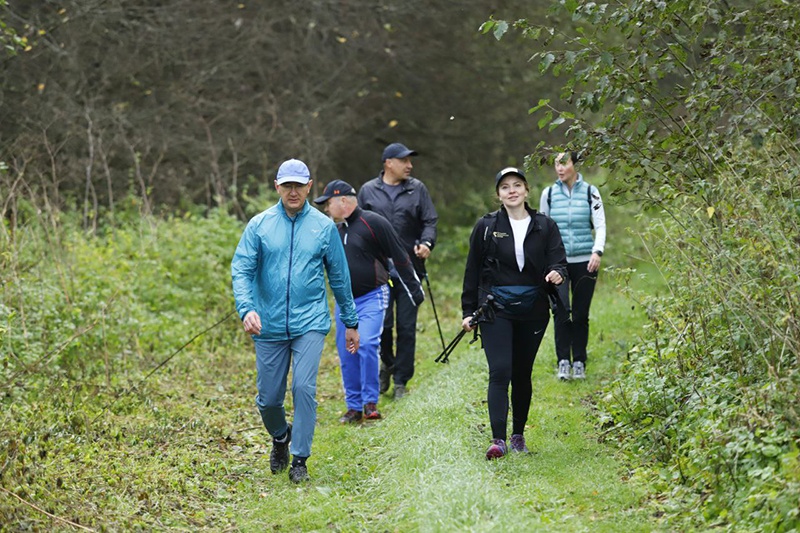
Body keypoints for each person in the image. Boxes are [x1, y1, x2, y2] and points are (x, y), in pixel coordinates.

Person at [231, 159, 360, 484]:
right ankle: (280, 436)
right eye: (286, 185)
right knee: (269, 399)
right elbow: (242, 270)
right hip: (269, 325)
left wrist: (350, 320)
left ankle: (300, 458)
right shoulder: (259, 225)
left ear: (309, 186)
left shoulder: (323, 227)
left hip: (310, 323)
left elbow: (340, 277)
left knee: (303, 387)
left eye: (298, 185)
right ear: (277, 186)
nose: (292, 191)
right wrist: (247, 308)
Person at [461, 166, 567, 460]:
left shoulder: (545, 226)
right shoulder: (485, 227)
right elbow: (472, 271)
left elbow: (558, 260)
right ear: (498, 194)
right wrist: (468, 310)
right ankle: (498, 441)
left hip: (533, 308)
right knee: (500, 371)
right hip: (495, 309)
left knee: (522, 373)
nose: (511, 190)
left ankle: (518, 435)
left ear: (526, 190)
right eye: (505, 186)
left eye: (517, 185)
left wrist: (557, 273)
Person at [313, 180, 425, 423]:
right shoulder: (332, 230)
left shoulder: (373, 222)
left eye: (328, 204)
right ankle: (353, 407)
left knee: (366, 344)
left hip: (373, 295)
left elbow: (400, 255)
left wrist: (415, 291)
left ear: (342, 200)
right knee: (347, 352)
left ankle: (370, 403)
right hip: (344, 304)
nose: (325, 210)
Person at [357, 142, 438, 398]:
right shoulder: (368, 191)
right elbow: (356, 224)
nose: (410, 165)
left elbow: (430, 221)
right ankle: (388, 364)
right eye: (404, 160)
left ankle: (401, 380)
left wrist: (427, 242)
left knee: (406, 326)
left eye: (410, 161)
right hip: (377, 272)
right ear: (388, 163)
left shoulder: (417, 189)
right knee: (382, 325)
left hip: (409, 270)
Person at [539, 151, 606, 381]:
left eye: (564, 163)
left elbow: (601, 225)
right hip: (558, 265)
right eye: (557, 163)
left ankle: (579, 361)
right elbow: (542, 230)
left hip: (585, 262)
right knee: (560, 311)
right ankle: (563, 362)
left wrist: (597, 252)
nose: (559, 168)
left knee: (579, 314)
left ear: (574, 165)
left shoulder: (591, 192)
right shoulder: (548, 194)